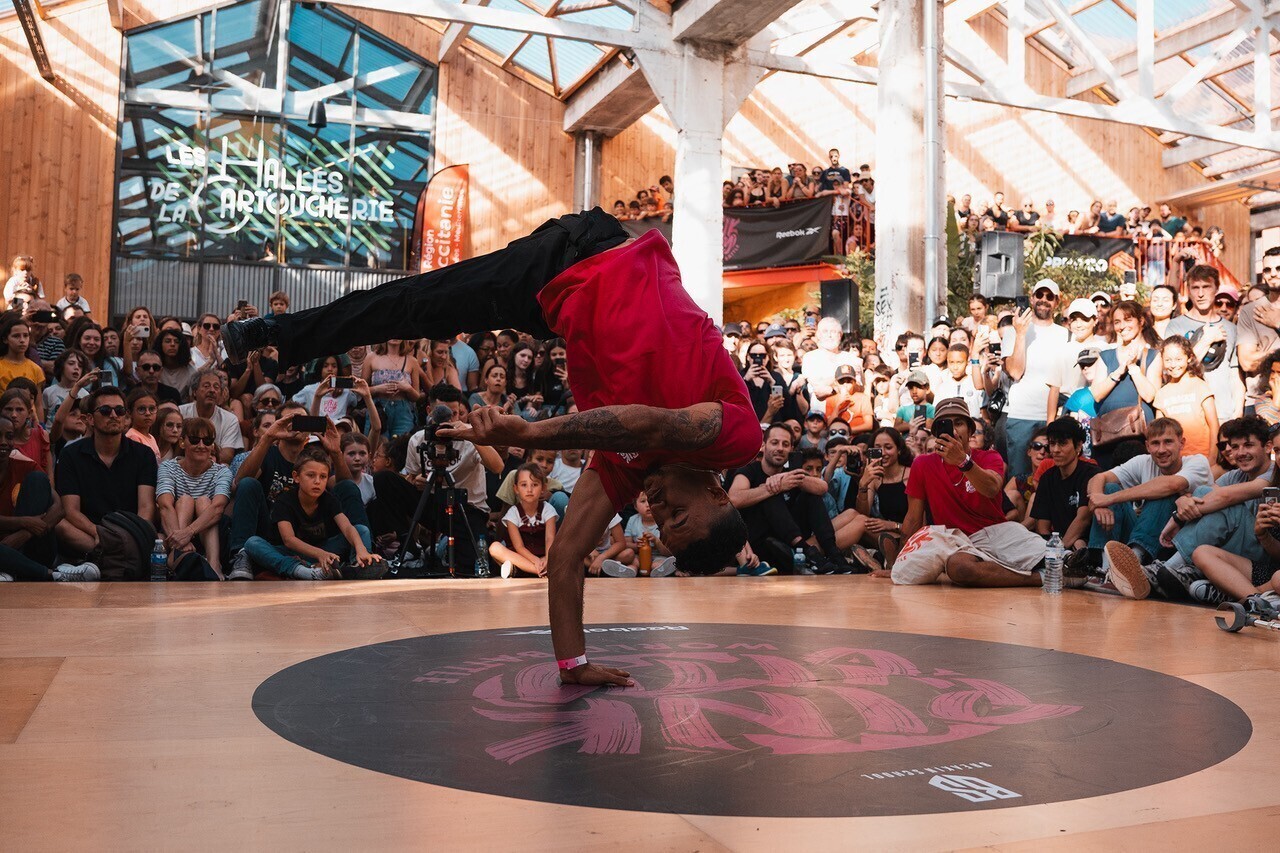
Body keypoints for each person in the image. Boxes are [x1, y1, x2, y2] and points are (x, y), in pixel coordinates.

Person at [222, 209, 762, 687]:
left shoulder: (628, 470)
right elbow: (646, 423)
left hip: (552, 298)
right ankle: (271, 333)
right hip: (594, 251)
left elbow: (566, 559)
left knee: (418, 306)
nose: (657, 508)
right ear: (718, 496)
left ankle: (273, 337)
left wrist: (573, 663)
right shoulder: (734, 435)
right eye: (677, 514)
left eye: (662, 524)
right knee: (414, 302)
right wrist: (525, 433)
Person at [893, 398, 1076, 588]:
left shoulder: (989, 457)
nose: (953, 430)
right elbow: (913, 518)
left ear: (970, 431)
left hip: (997, 533)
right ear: (937, 432)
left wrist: (962, 461)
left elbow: (992, 488)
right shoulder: (922, 464)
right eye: (946, 424)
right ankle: (1042, 577)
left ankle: (1067, 569)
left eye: (959, 423)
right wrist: (898, 563)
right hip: (956, 541)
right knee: (959, 568)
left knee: (1066, 562)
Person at [1089, 419, 1212, 599]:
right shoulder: (1142, 462)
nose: (1161, 449)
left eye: (1168, 442)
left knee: (1163, 493)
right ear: (1147, 446)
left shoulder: (1197, 462)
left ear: (1182, 443)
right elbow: (1099, 478)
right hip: (1145, 537)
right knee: (1109, 487)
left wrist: (1108, 499)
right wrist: (1099, 503)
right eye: (1155, 443)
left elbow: (1170, 484)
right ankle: (1107, 570)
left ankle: (1132, 566)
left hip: (1176, 546)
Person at [53, 386, 158, 571]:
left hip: (130, 531)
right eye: (105, 410)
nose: (114, 415)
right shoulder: (71, 454)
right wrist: (103, 535)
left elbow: (146, 507)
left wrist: (131, 535)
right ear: (90, 419)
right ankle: (115, 559)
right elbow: (71, 510)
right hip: (90, 533)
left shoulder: (144, 454)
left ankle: (101, 562)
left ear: (126, 417)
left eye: (119, 410)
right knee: (60, 525)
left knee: (159, 537)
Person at [728, 424, 850, 574]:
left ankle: (834, 555)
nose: (780, 448)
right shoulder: (749, 470)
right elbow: (734, 499)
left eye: (785, 444)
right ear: (763, 445)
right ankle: (807, 552)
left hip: (789, 543)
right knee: (771, 494)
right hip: (761, 545)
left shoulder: (790, 473)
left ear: (791, 449)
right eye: (775, 443)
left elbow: (822, 487)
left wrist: (785, 478)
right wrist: (773, 487)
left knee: (810, 493)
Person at [242, 448, 382, 580]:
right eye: (311, 475)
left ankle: (359, 566)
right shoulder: (284, 501)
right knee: (252, 543)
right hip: (292, 554)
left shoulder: (328, 499)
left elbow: (347, 527)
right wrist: (319, 554)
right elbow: (289, 540)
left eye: (323, 477)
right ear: (296, 477)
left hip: (324, 550)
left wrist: (361, 549)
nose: (317, 481)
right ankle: (304, 571)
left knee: (361, 530)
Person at [1001, 280, 1067, 479]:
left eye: (1049, 296)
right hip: (1022, 416)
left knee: (1055, 479)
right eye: (1039, 295)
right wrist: (1021, 334)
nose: (1044, 300)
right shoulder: (1012, 331)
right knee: (1020, 480)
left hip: (1055, 417)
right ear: (1031, 298)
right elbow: (1015, 371)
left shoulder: (1066, 334)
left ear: (1057, 302)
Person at [156, 417, 233, 578]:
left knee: (204, 502)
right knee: (185, 500)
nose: (201, 445)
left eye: (207, 441)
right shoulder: (168, 467)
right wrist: (180, 539)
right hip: (175, 531)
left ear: (212, 445)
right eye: (194, 440)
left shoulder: (222, 471)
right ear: (182, 442)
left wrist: (188, 532)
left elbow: (218, 508)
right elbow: (165, 505)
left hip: (210, 534)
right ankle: (178, 554)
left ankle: (214, 564)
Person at [1090, 300, 1161, 466]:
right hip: (1107, 435)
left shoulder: (1153, 355)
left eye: (1128, 320)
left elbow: (1150, 395)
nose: (1122, 326)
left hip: (1139, 434)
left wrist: (1133, 367)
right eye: (1117, 322)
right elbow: (1097, 394)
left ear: (1141, 321)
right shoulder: (1106, 356)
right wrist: (1120, 370)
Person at [1166, 265, 1241, 421]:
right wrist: (1207, 340)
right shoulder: (1176, 326)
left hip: (1223, 413)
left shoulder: (1231, 329)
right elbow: (1175, 370)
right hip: (1188, 413)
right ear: (1188, 290)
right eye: (1195, 288)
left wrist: (1238, 411)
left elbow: (1234, 374)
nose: (1200, 294)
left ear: (1216, 289)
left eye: (1206, 287)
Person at [0, 414, 66, 581]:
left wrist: (24, 534)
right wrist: (24, 522)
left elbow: (59, 509)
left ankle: (14, 568)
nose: (3, 442)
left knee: (38, 479)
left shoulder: (24, 464)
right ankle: (54, 575)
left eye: (9, 436)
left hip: (29, 548)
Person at [1032, 418, 1099, 559]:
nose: (1056, 450)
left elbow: (1083, 519)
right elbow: (1042, 527)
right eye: (1052, 444)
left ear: (1078, 446)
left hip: (1089, 543)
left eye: (1062, 443)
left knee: (1079, 543)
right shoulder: (1047, 478)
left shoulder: (1090, 473)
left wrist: (1057, 551)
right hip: (1057, 545)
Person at [488, 463, 559, 579]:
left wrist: (547, 559)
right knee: (495, 547)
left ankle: (523, 570)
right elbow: (519, 546)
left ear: (543, 488)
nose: (529, 490)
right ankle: (540, 572)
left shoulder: (548, 509)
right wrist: (535, 561)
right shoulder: (513, 513)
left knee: (565, 550)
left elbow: (549, 539)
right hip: (522, 558)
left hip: (544, 557)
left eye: (535, 485)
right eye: (524, 485)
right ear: (516, 489)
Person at [1153, 336, 1218, 462]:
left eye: (1178, 359)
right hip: (1174, 462)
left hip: (1201, 458)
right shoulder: (1162, 394)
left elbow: (1214, 425)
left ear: (1189, 358)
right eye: (1168, 360)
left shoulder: (1200, 386)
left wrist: (1212, 458)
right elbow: (1159, 432)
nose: (1173, 365)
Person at [178, 368, 243, 464]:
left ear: (221, 393)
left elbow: (227, 456)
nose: (212, 390)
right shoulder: (180, 412)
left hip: (214, 467)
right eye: (206, 386)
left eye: (216, 387)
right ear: (195, 391)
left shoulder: (230, 419)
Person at [0, 315, 45, 393]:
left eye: (25, 335)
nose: (22, 340)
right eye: (16, 336)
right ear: (5, 339)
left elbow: (38, 400)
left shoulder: (35, 369)